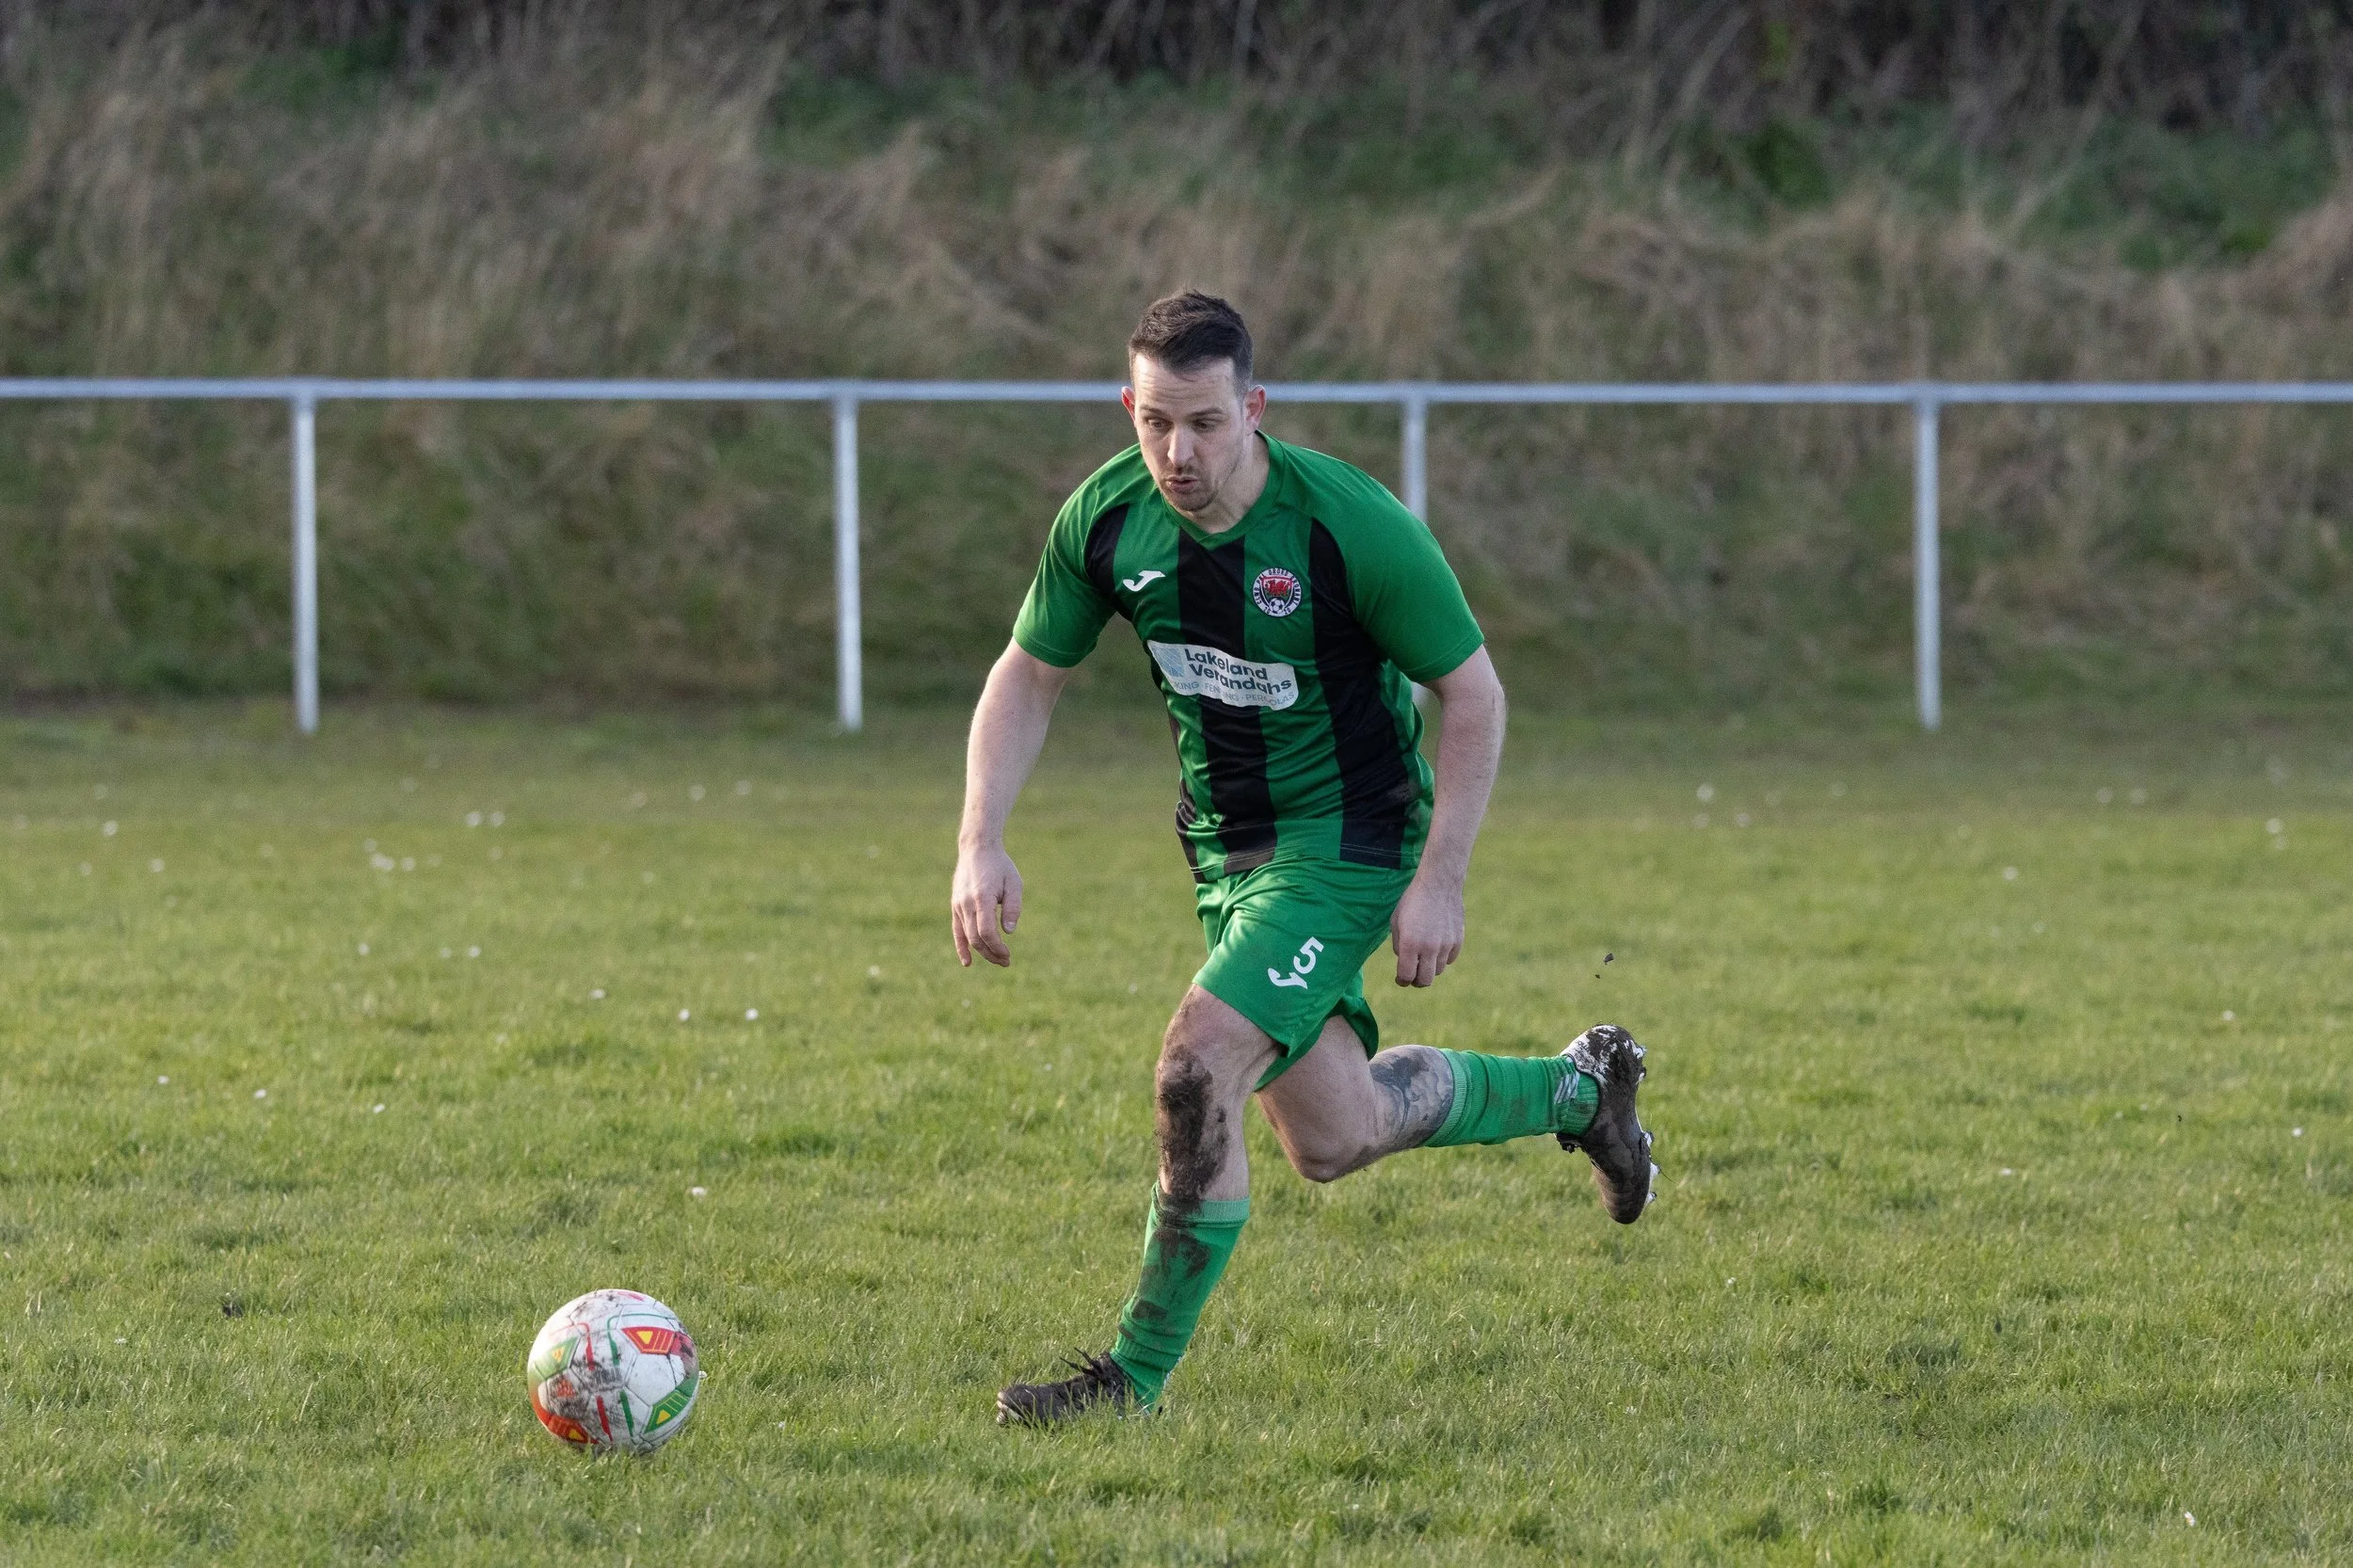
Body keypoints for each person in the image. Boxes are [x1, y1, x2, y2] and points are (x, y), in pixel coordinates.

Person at [950, 290, 1657, 1427]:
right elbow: (1029, 674)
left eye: (1207, 423)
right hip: (1227, 853)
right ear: (1125, 407)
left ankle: (1128, 1381)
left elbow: (1471, 694)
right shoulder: (1107, 521)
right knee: (1334, 1136)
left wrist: (1440, 877)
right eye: (1154, 422)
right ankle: (1579, 1092)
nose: (1179, 452)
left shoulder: (1346, 526)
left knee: (1196, 1066)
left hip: (1351, 839)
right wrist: (980, 837)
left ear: (1254, 407)